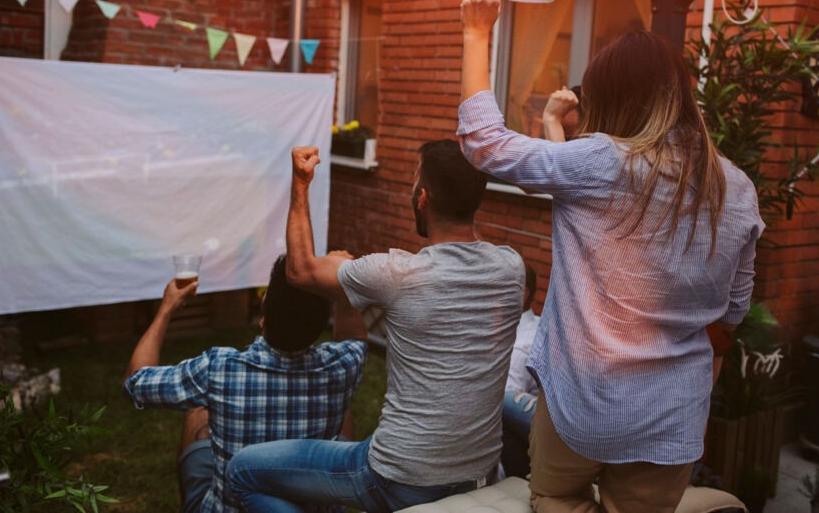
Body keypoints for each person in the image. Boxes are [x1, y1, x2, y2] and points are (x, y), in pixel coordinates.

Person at [459, 0, 765, 513]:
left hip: (584, 399)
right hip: (673, 413)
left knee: (555, 496)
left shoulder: (599, 160)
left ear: (613, 99)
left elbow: (484, 143)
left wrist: (477, 32)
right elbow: (734, 310)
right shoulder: (736, 187)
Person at [226, 139, 525, 513]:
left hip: (398, 476)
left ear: (422, 199)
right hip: (476, 473)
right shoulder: (511, 269)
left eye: (415, 182)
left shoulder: (397, 274)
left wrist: (301, 184)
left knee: (242, 472)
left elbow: (300, 271)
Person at [122, 256, 368, 513]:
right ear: (321, 324)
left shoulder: (218, 368)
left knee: (197, 414)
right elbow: (353, 337)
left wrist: (166, 309)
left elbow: (134, 381)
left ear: (264, 312)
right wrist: (342, 280)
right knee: (344, 409)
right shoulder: (342, 367)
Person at [501, 262, 540, 479]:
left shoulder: (521, 344)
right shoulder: (535, 322)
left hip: (534, 436)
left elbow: (505, 399)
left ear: (522, 294)